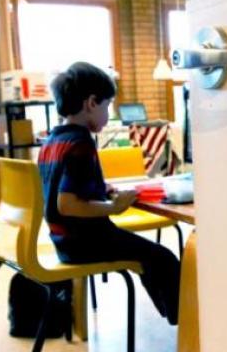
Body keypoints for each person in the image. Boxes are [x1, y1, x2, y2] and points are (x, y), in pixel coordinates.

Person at [38, 62, 180, 325]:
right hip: (87, 241)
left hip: (64, 241)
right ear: (91, 103)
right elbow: (67, 204)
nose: (108, 113)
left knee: (152, 258)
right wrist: (114, 208)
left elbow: (64, 186)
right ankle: (186, 322)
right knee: (163, 258)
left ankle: (175, 314)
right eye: (108, 106)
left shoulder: (53, 140)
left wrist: (103, 189)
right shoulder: (80, 143)